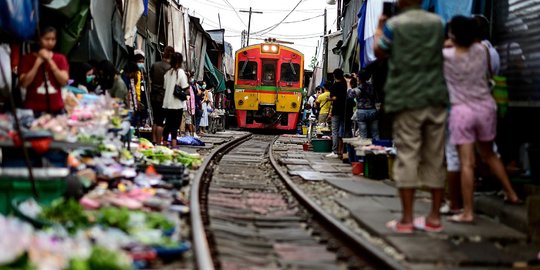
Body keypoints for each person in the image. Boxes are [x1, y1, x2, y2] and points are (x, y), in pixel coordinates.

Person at [374, 0, 449, 233]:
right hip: (435, 97)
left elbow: (379, 51)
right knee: (436, 156)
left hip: (406, 99)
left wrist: (378, 28)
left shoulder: (394, 25)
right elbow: (443, 49)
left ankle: (406, 219)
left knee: (408, 156)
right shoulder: (439, 23)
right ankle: (434, 218)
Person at [443, 16, 521, 224]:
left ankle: (467, 212)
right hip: (486, 108)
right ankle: (511, 194)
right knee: (490, 154)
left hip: (462, 112)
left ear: (452, 34)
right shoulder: (483, 50)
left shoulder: (447, 56)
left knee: (467, 163)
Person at [19, 27, 69, 116]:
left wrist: (50, 61)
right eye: (46, 39)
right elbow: (24, 83)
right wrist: (37, 64)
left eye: (53, 39)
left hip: (56, 107)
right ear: (39, 40)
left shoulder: (60, 58)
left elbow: (64, 81)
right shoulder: (27, 59)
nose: (50, 42)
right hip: (33, 109)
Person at [162, 52, 189, 147]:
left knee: (167, 125)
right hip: (177, 104)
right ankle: (174, 146)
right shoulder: (181, 72)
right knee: (175, 127)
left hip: (167, 103)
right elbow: (185, 88)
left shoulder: (167, 73)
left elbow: (165, 87)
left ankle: (164, 145)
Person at [149, 46, 174, 144]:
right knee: (160, 121)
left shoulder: (155, 65)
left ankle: (153, 139)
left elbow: (151, 78)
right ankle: (159, 142)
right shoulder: (170, 68)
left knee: (155, 119)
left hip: (153, 96)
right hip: (164, 97)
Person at [326, 68, 347, 159]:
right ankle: (342, 151)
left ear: (334, 76)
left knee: (334, 131)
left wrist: (330, 99)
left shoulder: (334, 86)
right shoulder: (345, 84)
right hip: (345, 110)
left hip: (336, 111)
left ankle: (334, 151)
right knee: (343, 130)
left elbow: (333, 98)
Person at [354, 70, 379, 139]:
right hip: (373, 111)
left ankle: (364, 149)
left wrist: (349, 84)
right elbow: (377, 98)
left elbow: (350, 95)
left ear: (359, 78)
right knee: (375, 134)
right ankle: (376, 148)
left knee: (363, 135)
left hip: (362, 112)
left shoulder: (359, 88)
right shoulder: (373, 87)